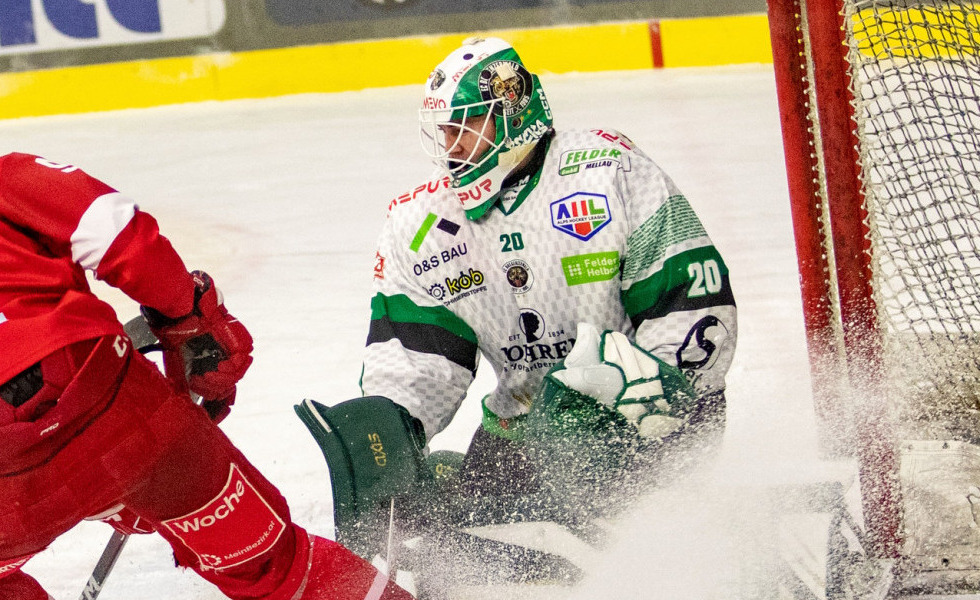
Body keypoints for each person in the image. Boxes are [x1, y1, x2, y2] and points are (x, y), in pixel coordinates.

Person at [0, 81, 412, 600]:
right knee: (272, 563)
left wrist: (82, 485)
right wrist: (188, 319)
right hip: (123, 410)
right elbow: (120, 234)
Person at [300, 36, 739, 587]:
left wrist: (660, 388)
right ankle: (459, 485)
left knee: (614, 566)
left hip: (646, 412)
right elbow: (420, 357)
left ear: (513, 114)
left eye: (466, 125)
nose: (452, 146)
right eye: (445, 132)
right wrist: (392, 428)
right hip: (522, 427)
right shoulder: (422, 225)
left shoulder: (608, 170)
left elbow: (692, 298)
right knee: (459, 560)